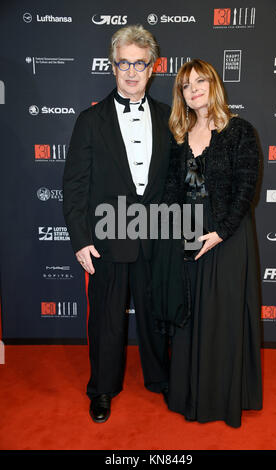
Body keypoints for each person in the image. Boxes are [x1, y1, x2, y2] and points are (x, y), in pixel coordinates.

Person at [63, 25, 171, 423]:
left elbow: (176, 180)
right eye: (123, 62)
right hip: (108, 238)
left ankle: (160, 380)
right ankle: (102, 389)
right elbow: (74, 185)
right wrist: (80, 239)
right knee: (106, 320)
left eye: (139, 63)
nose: (131, 71)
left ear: (152, 68)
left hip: (157, 237)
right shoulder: (90, 120)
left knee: (156, 314)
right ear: (113, 66)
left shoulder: (167, 117)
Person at [152, 59, 263, 428]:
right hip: (187, 233)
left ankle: (221, 398)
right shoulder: (179, 135)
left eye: (200, 81)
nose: (194, 89)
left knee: (221, 317)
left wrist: (221, 232)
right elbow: (171, 188)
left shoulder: (239, 131)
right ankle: (189, 395)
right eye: (186, 85)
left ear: (214, 84)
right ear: (180, 94)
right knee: (190, 312)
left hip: (227, 238)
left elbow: (246, 190)